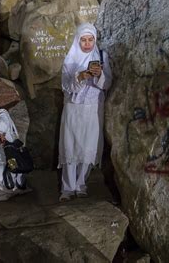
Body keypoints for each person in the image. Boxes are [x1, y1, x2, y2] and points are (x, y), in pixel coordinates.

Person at [58, 22, 112, 202]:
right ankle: (67, 188)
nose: (87, 43)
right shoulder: (70, 59)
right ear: (77, 40)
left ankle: (81, 184)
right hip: (73, 108)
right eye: (83, 40)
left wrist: (99, 75)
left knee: (87, 146)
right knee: (70, 145)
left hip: (93, 109)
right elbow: (66, 86)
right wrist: (80, 76)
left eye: (90, 39)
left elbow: (107, 85)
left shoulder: (102, 57)